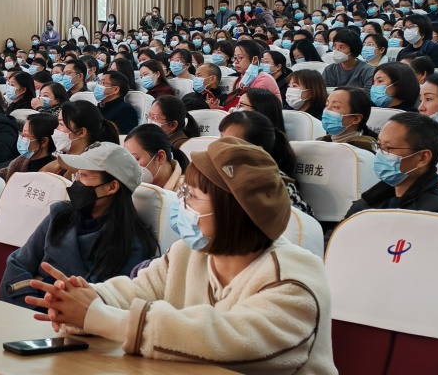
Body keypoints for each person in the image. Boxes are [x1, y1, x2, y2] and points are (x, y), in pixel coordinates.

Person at [24, 137, 335, 373]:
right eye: (182, 190)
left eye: (192, 196)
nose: (180, 202)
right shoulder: (188, 252)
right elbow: (136, 290)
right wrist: (82, 298)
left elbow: (229, 338)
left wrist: (99, 316)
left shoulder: (294, 278)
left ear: (233, 213)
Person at [1, 142, 159, 309]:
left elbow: (100, 303)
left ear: (112, 187)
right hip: (28, 314)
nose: (75, 183)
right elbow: (16, 266)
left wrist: (41, 282)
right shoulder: (60, 215)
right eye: (76, 176)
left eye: (84, 176)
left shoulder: (131, 242)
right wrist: (50, 295)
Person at [345, 113, 438, 216]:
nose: (379, 154)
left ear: (423, 158)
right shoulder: (370, 201)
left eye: (388, 148)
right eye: (379, 146)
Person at [219, 111, 313, 216]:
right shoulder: (223, 171)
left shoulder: (276, 185)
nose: (219, 145)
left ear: (257, 149)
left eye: (230, 142)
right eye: (221, 137)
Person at [40, 101, 119, 178]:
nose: (56, 129)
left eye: (61, 124)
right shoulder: (58, 164)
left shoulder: (88, 172)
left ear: (81, 132)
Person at [123, 124, 188, 191]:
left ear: (160, 157)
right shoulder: (135, 188)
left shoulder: (186, 191)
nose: (129, 167)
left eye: (135, 159)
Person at [0, 113, 58, 180]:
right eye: (22, 134)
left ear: (43, 141)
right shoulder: (21, 161)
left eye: (26, 135)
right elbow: (2, 175)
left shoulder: (54, 170)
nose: (22, 138)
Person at [317, 87, 377, 152]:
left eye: (335, 107)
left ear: (356, 119)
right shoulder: (321, 142)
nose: (326, 110)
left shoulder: (363, 149)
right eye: (327, 104)